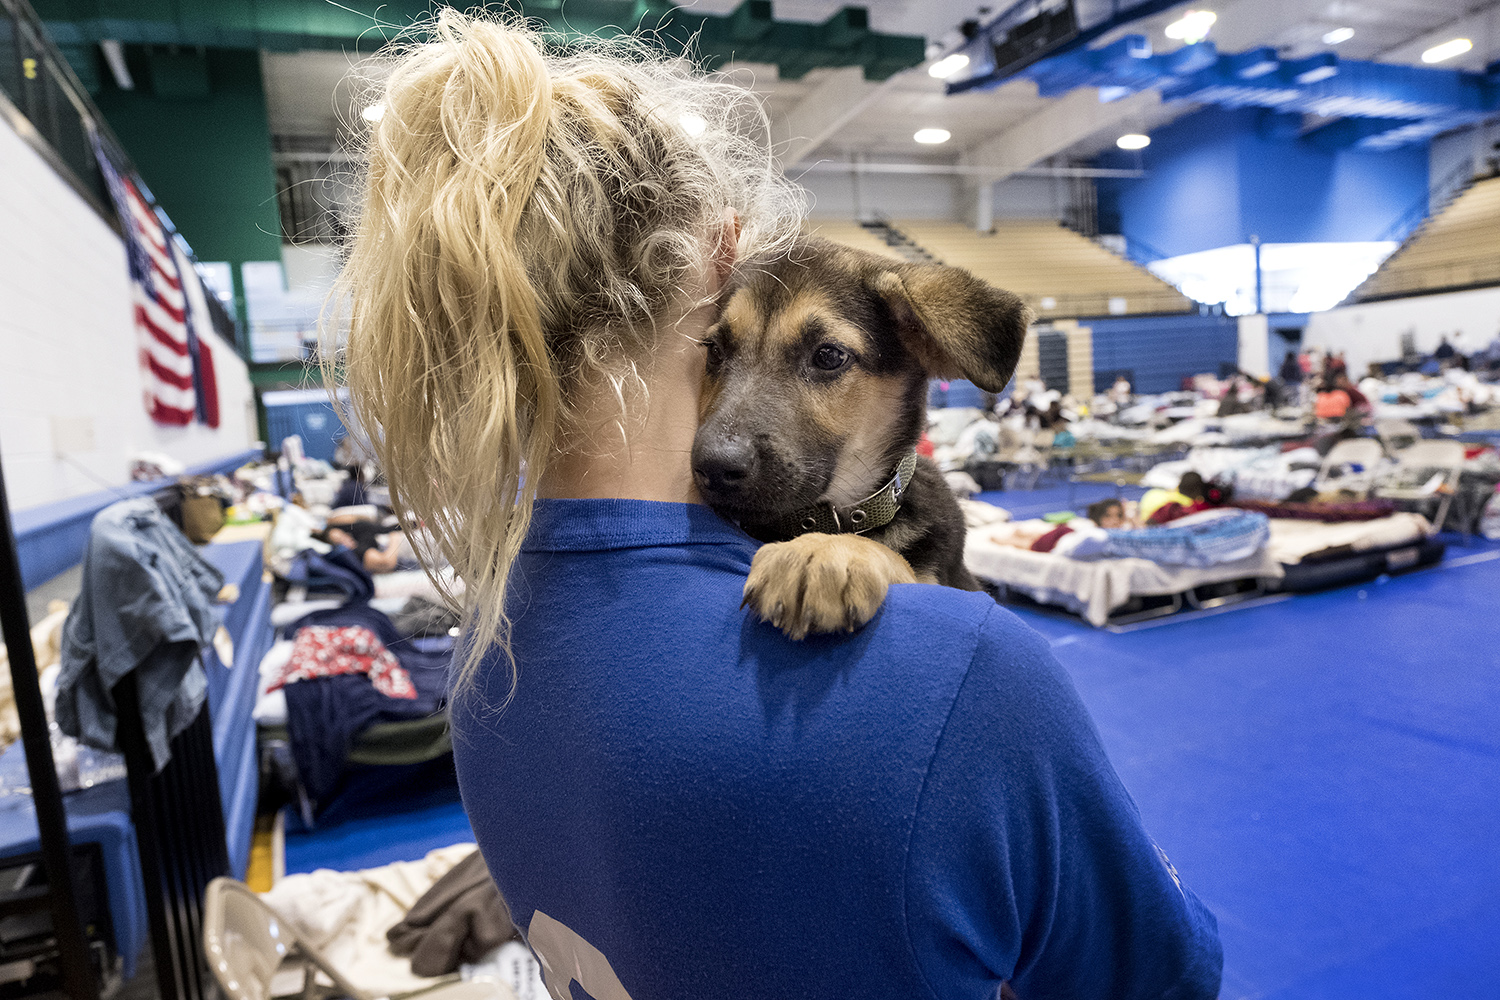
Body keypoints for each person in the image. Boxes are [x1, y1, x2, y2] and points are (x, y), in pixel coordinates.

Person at [334, 13, 1221, 1000]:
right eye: (724, 350)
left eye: (822, 361)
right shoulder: (957, 675)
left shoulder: (488, 645)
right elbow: (1164, 977)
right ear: (721, 259)